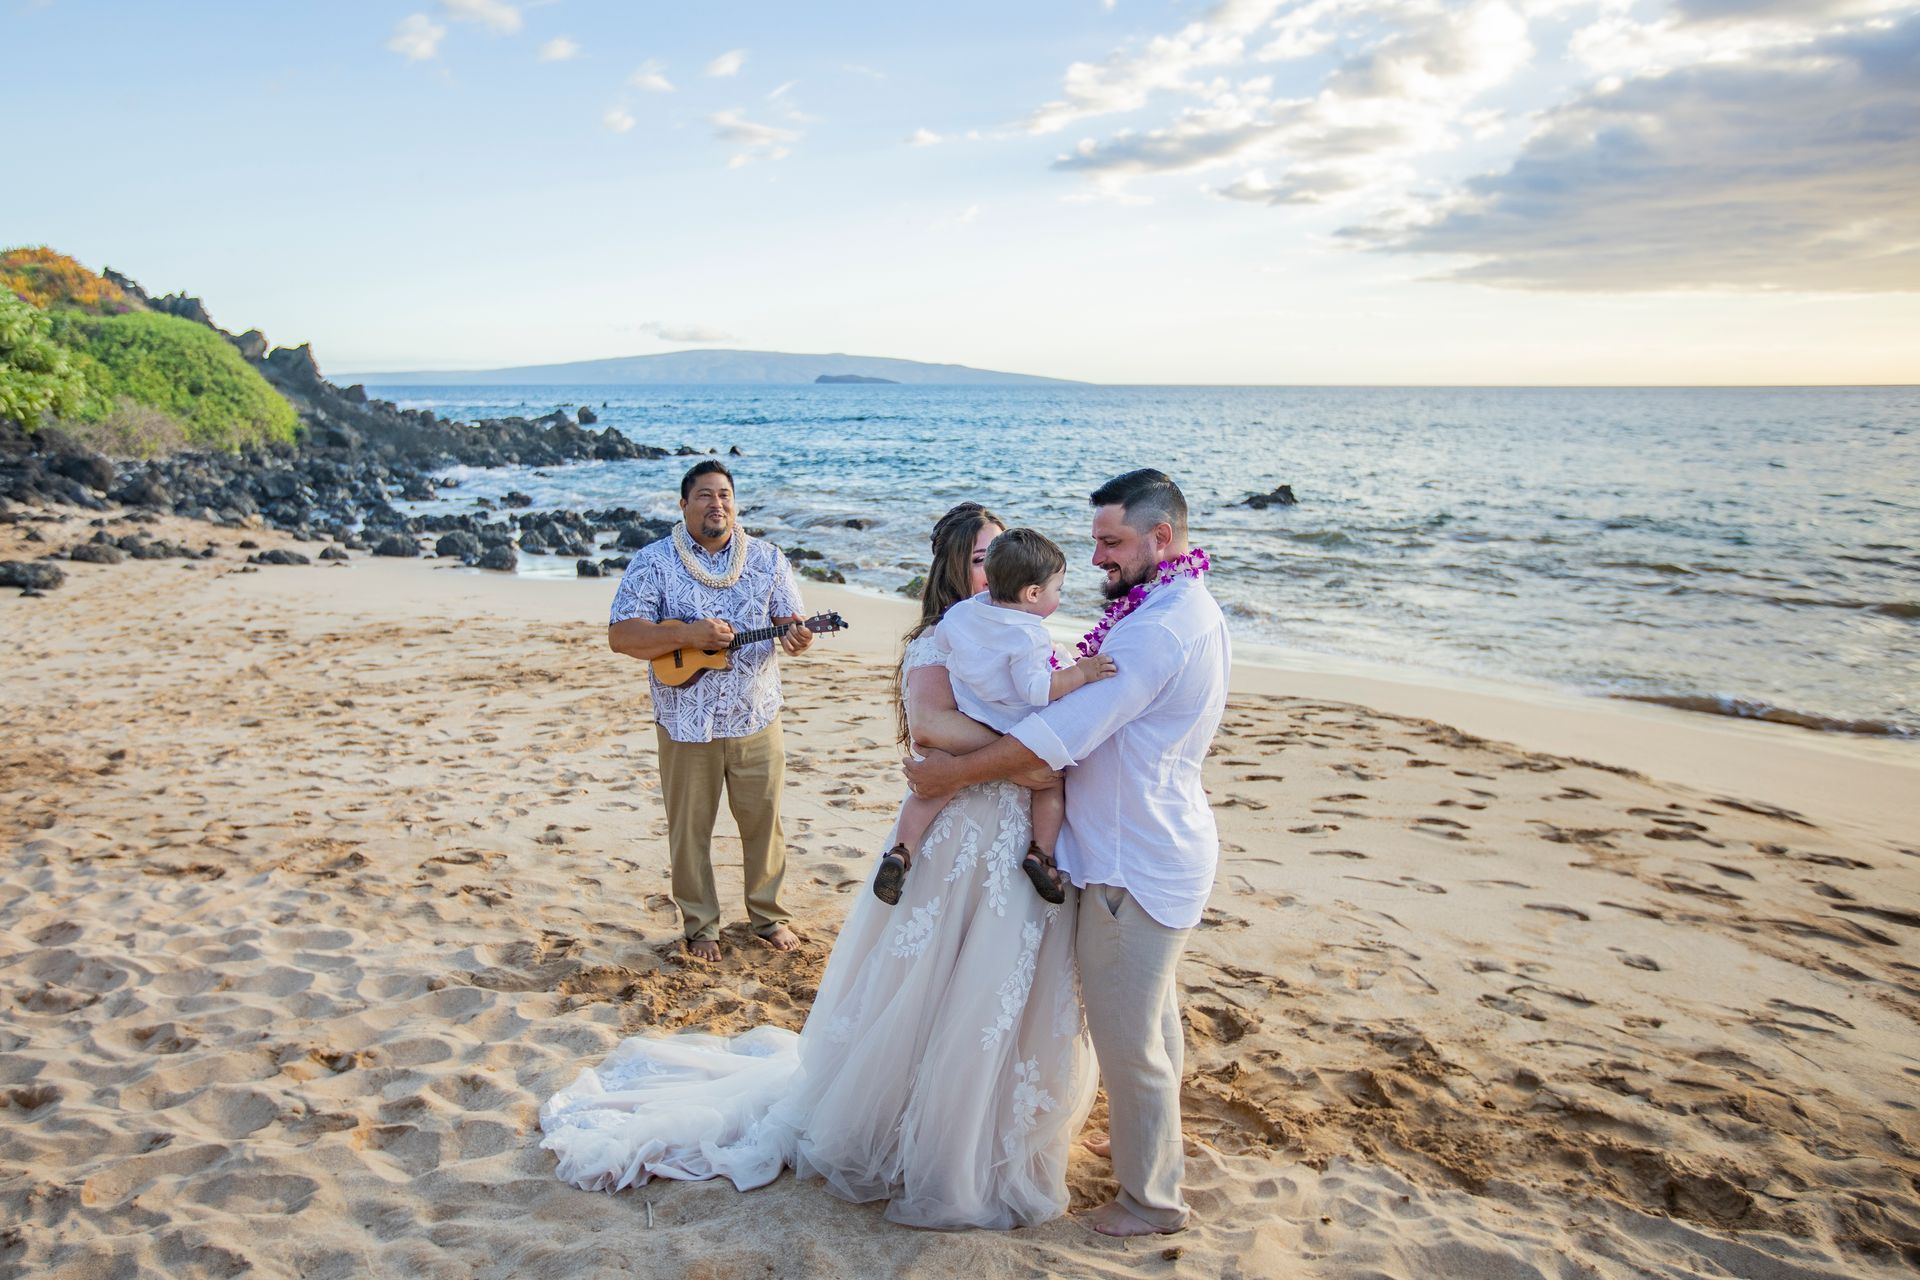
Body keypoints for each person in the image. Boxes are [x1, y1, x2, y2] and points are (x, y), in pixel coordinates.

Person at [541, 500, 1096, 1230]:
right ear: (957, 569)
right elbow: (930, 727)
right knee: (934, 983)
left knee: (1003, 986)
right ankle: (915, 1131)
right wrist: (1025, 752)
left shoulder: (1023, 633)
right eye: (980, 557)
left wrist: (1028, 752)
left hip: (1011, 829)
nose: (992, 567)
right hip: (963, 833)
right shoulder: (942, 639)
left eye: (1001, 556)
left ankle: (997, 1128)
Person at [904, 469, 1228, 1238]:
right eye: (1093, 544)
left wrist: (950, 772)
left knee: (1129, 1038)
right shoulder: (1169, 603)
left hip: (1130, 854)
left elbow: (1065, 731)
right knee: (1154, 1020)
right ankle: (1141, 1145)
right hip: (1155, 839)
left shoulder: (1157, 628)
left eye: (1111, 544)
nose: (1096, 562)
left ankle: (1150, 1201)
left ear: (1164, 539)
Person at [606, 460, 810, 960]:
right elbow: (621, 635)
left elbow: (789, 624)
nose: (716, 504)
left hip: (754, 715)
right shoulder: (653, 561)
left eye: (724, 495)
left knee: (764, 823)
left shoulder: (767, 559)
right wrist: (687, 634)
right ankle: (701, 926)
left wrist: (798, 636)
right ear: (683, 504)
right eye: (704, 495)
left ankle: (769, 916)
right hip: (684, 721)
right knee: (689, 829)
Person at [873, 527, 1115, 908]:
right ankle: (1041, 854)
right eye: (978, 560)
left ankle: (901, 851)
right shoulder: (1028, 635)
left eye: (992, 559)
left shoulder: (960, 616)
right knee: (1049, 786)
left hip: (972, 713)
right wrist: (1081, 674)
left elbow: (946, 644)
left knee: (935, 785)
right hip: (1010, 730)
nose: (988, 571)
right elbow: (1034, 691)